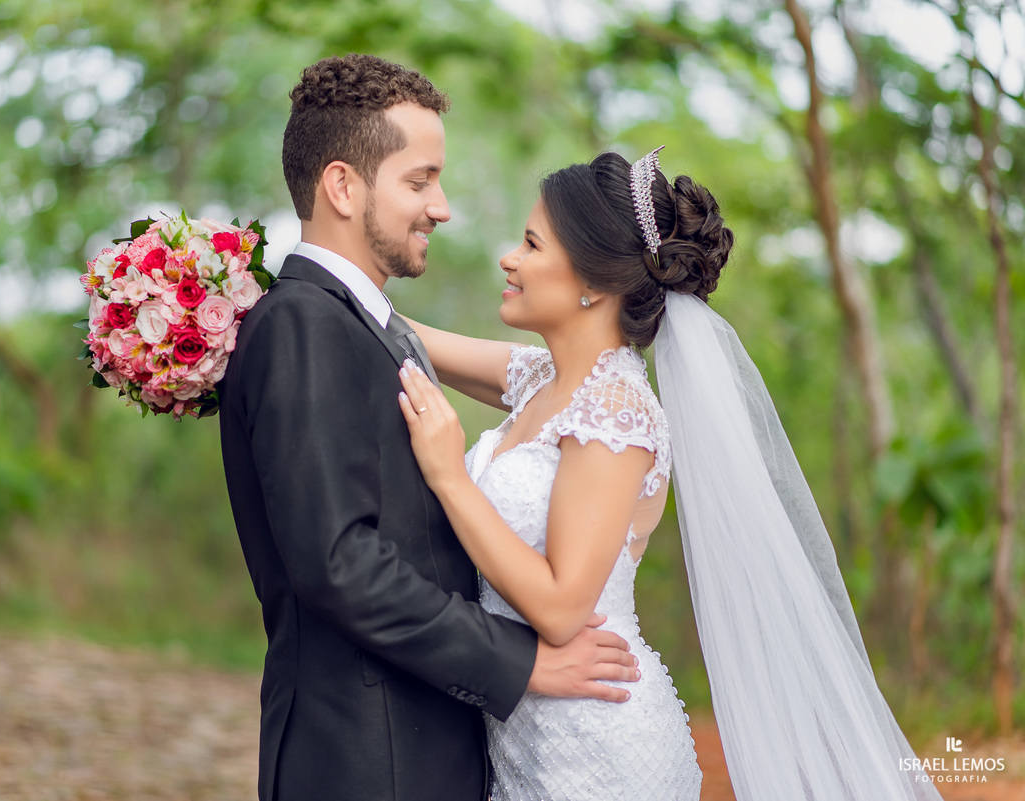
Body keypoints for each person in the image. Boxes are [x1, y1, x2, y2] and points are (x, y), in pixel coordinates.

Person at [396, 149, 944, 800]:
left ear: (594, 281)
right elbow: (402, 337)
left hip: (595, 748)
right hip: (524, 734)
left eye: (532, 244)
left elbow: (562, 608)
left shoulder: (615, 412)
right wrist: (300, 276)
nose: (508, 259)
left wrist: (450, 478)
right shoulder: (541, 378)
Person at [217, 54, 639, 801]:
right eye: (419, 181)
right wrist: (519, 661)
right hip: (365, 759)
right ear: (342, 186)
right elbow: (338, 562)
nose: (441, 207)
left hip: (426, 748)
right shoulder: (302, 326)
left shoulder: (366, 325)